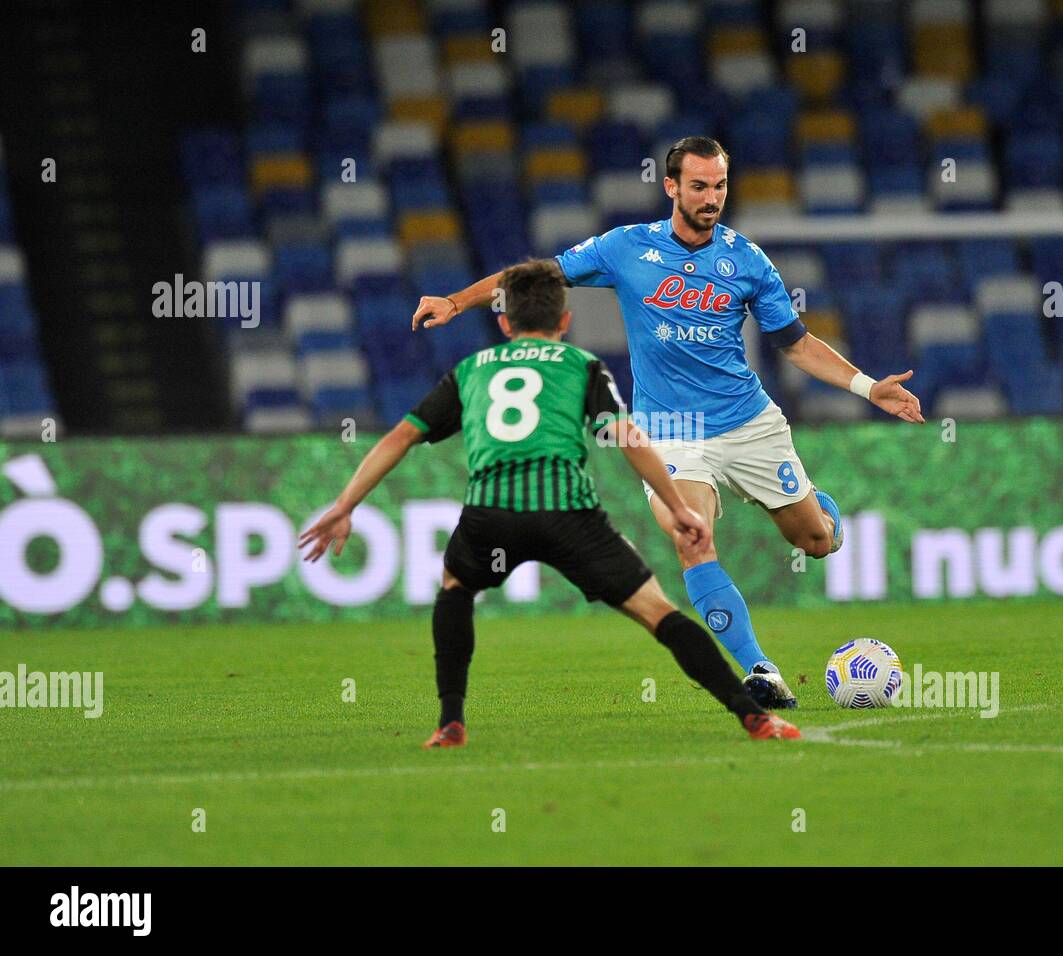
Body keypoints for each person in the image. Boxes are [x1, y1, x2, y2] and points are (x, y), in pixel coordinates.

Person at [411, 136, 924, 709]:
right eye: (700, 186)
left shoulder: (747, 261)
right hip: (670, 429)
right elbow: (535, 278)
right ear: (672, 187)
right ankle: (760, 671)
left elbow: (797, 346)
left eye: (721, 186)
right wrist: (456, 302)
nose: (711, 198)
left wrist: (866, 385)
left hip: (748, 422)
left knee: (814, 541)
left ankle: (819, 512)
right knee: (691, 536)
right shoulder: (625, 248)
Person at [300, 258, 800, 747]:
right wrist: (677, 505)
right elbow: (626, 436)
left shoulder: (473, 369)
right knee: (658, 613)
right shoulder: (581, 365)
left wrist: (345, 505)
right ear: (564, 320)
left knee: (455, 590)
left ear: (503, 322)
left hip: (489, 516)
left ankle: (450, 721)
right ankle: (752, 717)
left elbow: (399, 438)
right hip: (569, 517)